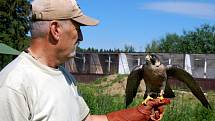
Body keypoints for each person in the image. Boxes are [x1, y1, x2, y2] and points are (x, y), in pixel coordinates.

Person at [0, 0, 170, 120]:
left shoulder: (63, 75)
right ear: (55, 29)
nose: (81, 37)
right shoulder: (13, 85)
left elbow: (86, 120)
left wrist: (138, 114)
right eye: (78, 28)